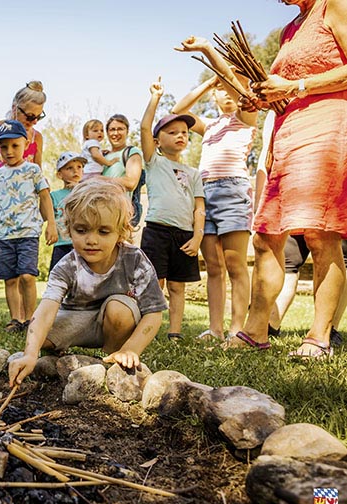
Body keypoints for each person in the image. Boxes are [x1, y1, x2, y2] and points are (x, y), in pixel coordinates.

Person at [231, 0, 347, 358]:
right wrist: (264, 98)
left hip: (327, 127)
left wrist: (296, 86)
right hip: (288, 132)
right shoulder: (291, 28)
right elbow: (283, 87)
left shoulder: (335, 5)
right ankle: (255, 331)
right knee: (267, 235)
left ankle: (318, 337)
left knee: (319, 233)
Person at [8, 178, 167, 386]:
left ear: (120, 231)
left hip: (114, 319)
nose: (91, 240)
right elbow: (46, 309)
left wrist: (132, 348)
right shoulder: (66, 265)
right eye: (82, 230)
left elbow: (154, 313)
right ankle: (58, 351)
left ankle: (113, 356)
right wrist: (30, 353)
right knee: (41, 336)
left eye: (103, 231)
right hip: (78, 319)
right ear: (69, 228)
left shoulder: (134, 259)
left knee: (119, 309)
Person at [173, 37, 258, 341]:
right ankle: (215, 328)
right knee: (213, 267)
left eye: (231, 87)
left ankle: (238, 329)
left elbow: (241, 92)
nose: (227, 93)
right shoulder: (209, 125)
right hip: (205, 193)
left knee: (236, 264)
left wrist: (229, 79)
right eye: (222, 89)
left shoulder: (247, 117)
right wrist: (210, 83)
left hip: (233, 192)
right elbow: (176, 112)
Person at [0, 81, 46, 327]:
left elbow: (38, 173)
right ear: (15, 108)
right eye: (29, 115)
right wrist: (5, 175)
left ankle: (23, 317)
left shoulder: (37, 137)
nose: (33, 121)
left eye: (38, 116)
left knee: (25, 269)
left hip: (23, 212)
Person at [139, 78, 205, 340]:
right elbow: (145, 127)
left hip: (184, 236)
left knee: (178, 286)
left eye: (184, 133)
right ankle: (149, 329)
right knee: (156, 284)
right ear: (157, 141)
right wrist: (155, 97)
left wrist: (197, 236)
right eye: (172, 132)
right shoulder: (154, 162)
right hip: (157, 231)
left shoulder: (194, 173)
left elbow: (199, 208)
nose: (180, 136)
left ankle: (174, 333)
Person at [0, 120, 57, 333]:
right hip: (5, 234)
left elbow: (45, 197)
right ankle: (16, 319)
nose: (9, 151)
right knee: (10, 278)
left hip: (28, 232)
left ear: (25, 144)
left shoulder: (33, 170)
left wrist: (51, 224)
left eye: (15, 145)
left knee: (27, 275)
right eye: (3, 147)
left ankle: (31, 319)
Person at [50, 152, 85, 269]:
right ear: (59, 174)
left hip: (82, 245)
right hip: (61, 245)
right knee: (57, 281)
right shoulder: (54, 196)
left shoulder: (86, 193)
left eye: (79, 167)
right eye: (69, 168)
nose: (75, 171)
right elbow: (45, 216)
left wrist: (77, 189)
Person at [101, 114, 143, 198]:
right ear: (107, 133)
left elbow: (131, 183)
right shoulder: (102, 156)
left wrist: (100, 180)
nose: (116, 133)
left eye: (120, 129)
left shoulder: (131, 152)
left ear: (127, 131)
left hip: (119, 209)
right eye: (112, 129)